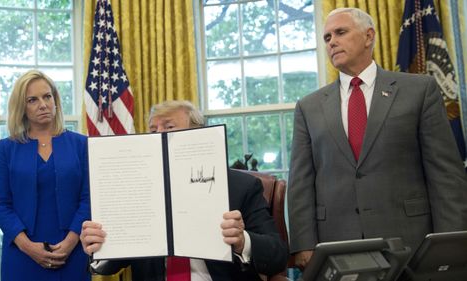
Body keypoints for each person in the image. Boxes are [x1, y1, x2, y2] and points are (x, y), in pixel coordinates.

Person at [287, 7, 467, 269]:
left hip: (410, 240)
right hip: (337, 243)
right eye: (327, 38)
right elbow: (301, 182)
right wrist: (303, 244)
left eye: (340, 32)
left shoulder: (419, 90)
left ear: (368, 36)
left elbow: (445, 174)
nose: (332, 42)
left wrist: (451, 242)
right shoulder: (308, 106)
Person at [80, 100, 288, 280]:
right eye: (153, 131)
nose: (159, 136)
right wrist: (101, 246)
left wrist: (243, 242)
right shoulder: (135, 188)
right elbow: (112, 264)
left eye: (169, 128)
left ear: (198, 134)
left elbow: (277, 254)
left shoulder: (241, 186)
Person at [0, 70, 91, 280]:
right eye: (32, 100)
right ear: (22, 107)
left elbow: (88, 198)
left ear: (55, 100)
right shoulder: (8, 148)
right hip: (21, 253)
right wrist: (27, 247)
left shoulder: (81, 144)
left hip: (71, 252)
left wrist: (71, 241)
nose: (43, 104)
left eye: (47, 96)